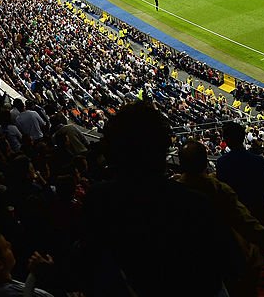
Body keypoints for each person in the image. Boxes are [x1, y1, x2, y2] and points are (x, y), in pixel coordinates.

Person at [81, 103, 243, 297]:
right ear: (164, 149)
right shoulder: (195, 205)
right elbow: (232, 265)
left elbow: (88, 269)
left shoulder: (98, 200)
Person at [178, 141, 264, 297]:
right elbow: (247, 224)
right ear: (205, 162)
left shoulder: (168, 192)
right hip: (224, 261)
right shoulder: (218, 190)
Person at [217, 122, 264, 226]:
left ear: (226, 139)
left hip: (235, 215)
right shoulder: (258, 160)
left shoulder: (222, 162)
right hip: (258, 212)